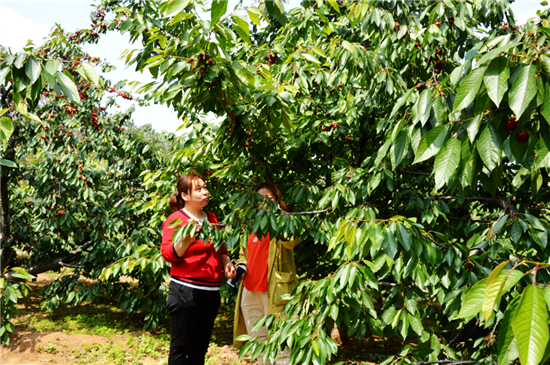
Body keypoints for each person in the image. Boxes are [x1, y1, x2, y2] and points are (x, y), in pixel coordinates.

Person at [161, 173, 236, 365]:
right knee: (180, 348)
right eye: (199, 189)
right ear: (185, 195)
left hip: (211, 292)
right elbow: (168, 254)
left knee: (200, 349)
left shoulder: (211, 218)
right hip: (186, 292)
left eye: (205, 187)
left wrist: (226, 263)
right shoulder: (176, 219)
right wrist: (186, 238)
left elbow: (220, 248)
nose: (206, 192)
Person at [233, 182, 300, 365]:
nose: (264, 203)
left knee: (281, 343)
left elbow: (292, 240)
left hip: (276, 290)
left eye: (268, 198)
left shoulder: (284, 222)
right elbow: (243, 255)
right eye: (259, 199)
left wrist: (279, 219)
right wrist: (240, 266)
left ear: (277, 200)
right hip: (250, 291)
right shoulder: (250, 225)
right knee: (258, 341)